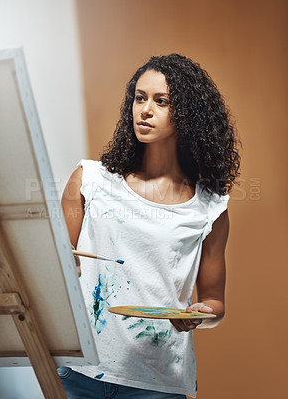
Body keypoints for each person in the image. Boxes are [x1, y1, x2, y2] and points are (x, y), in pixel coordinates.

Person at [59, 53, 240, 398]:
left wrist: (200, 315)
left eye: (161, 101)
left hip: (156, 382)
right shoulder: (90, 181)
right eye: (139, 98)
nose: (145, 109)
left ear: (188, 115)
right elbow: (58, 264)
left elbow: (215, 303)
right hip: (77, 371)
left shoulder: (209, 208)